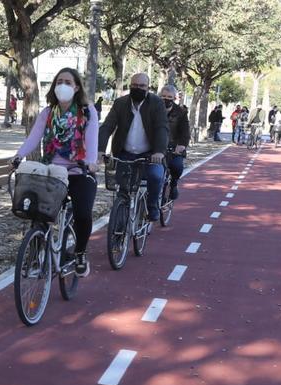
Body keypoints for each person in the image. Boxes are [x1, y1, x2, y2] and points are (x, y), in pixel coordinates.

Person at [12, 67, 100, 276]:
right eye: (59, 81)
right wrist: (18, 155)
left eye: (68, 82)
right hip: (51, 172)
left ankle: (79, 253)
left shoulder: (87, 111)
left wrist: (91, 162)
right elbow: (34, 137)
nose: (63, 85)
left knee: (82, 213)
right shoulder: (48, 112)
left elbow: (92, 138)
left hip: (79, 171)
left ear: (76, 87)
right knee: (37, 212)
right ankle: (35, 256)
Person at [97, 72, 169, 223]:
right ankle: (120, 225)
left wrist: (159, 152)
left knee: (156, 176)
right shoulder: (120, 103)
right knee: (122, 190)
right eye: (134, 85)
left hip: (150, 155)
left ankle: (152, 206)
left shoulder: (157, 103)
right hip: (124, 154)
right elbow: (107, 127)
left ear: (148, 88)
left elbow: (162, 128)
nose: (138, 88)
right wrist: (100, 150)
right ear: (130, 86)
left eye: (142, 86)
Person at [160, 84, 190, 200]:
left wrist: (181, 146)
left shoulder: (181, 112)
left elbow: (185, 132)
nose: (166, 99)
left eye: (169, 97)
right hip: (157, 148)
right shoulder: (154, 109)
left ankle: (173, 184)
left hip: (173, 149)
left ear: (174, 98)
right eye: (163, 96)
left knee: (177, 166)